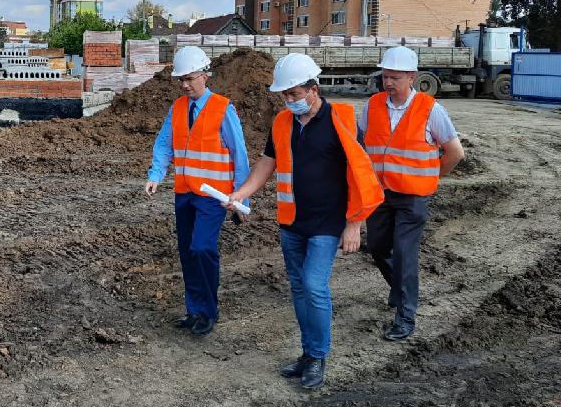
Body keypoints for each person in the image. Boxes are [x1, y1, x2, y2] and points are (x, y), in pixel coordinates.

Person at [225, 53, 383, 388]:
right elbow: (268, 163)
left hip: (327, 223)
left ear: (313, 89)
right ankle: (307, 352)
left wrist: (354, 223)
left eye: (293, 94)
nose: (288, 101)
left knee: (314, 286)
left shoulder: (341, 118)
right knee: (298, 287)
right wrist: (242, 194)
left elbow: (359, 173)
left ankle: (318, 357)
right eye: (284, 95)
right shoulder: (282, 122)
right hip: (292, 221)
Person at [360, 46, 465, 341]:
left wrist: (432, 177)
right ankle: (400, 288)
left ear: (412, 77)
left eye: (394, 77)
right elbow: (363, 143)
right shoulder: (373, 106)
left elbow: (455, 153)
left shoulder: (431, 109)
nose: (388, 82)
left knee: (405, 254)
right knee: (379, 247)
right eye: (385, 76)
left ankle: (405, 315)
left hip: (413, 197)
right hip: (380, 193)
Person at [144, 45, 250, 337]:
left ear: (205, 75)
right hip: (185, 193)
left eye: (189, 78)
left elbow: (239, 155)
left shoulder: (223, 108)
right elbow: (165, 143)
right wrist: (156, 174)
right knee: (187, 252)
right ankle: (193, 310)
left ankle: (208, 311)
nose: (185, 85)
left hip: (214, 196)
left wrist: (242, 198)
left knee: (202, 248)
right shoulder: (178, 107)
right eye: (181, 80)